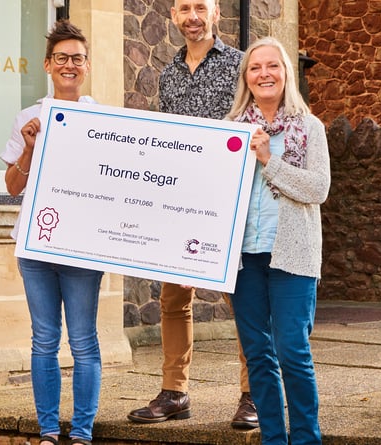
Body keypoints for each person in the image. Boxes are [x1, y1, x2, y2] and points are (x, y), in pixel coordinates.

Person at [127, 0, 258, 429]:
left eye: (201, 7)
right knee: (173, 299)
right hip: (178, 202)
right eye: (185, 8)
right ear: (174, 17)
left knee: (242, 302)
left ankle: (252, 396)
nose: (193, 16)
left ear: (216, 13)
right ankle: (174, 392)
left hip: (226, 200)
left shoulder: (241, 65)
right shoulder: (167, 73)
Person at [0, 20, 102, 445]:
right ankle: (47, 431)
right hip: (36, 246)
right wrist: (28, 148)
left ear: (87, 65)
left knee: (83, 342)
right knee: (44, 340)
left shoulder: (102, 117)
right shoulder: (29, 118)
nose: (70, 65)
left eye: (77, 58)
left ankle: (80, 432)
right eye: (62, 58)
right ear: (47, 65)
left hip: (80, 248)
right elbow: (11, 188)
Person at [226, 36, 330, 445]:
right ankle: (273, 438)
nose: (264, 73)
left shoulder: (309, 127)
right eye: (255, 68)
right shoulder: (233, 131)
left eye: (272, 66)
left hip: (293, 256)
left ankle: (305, 438)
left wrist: (270, 161)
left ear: (286, 74)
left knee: (292, 352)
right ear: (246, 78)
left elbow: (318, 188)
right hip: (244, 259)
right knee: (258, 356)